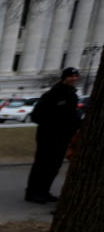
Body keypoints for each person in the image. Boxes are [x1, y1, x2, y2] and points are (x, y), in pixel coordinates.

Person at [25, 67, 81, 204]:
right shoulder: (52, 94)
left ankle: (44, 191)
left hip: (63, 137)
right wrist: (53, 124)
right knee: (42, 164)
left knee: (54, 166)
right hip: (48, 136)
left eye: (75, 76)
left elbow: (72, 116)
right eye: (70, 76)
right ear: (64, 77)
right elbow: (37, 115)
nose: (73, 79)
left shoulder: (72, 95)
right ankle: (32, 193)